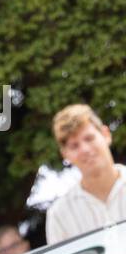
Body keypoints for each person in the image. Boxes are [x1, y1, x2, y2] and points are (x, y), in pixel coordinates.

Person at [46, 104, 126, 246]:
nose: (85, 149)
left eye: (89, 138)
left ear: (106, 135)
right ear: (65, 154)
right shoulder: (59, 215)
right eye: (74, 146)